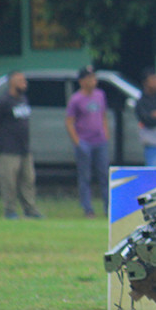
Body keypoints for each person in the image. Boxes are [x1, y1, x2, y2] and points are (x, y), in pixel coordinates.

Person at [0, 70, 42, 219]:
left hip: (24, 148)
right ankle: (10, 210)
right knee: (9, 182)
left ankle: (30, 209)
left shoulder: (23, 99)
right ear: (12, 82)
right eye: (20, 80)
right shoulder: (2, 101)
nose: (24, 83)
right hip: (7, 149)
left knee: (28, 180)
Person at [65, 65, 110, 218]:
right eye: (89, 78)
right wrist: (77, 142)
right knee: (85, 177)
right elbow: (69, 122)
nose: (93, 81)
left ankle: (108, 208)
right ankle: (88, 209)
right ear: (82, 81)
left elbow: (103, 115)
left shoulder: (100, 95)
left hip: (100, 141)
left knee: (104, 175)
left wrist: (105, 133)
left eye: (94, 78)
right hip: (84, 142)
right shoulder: (76, 99)